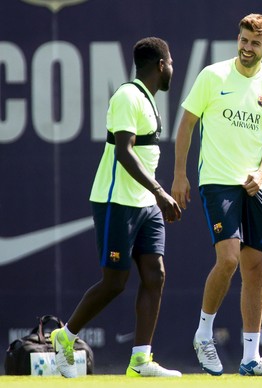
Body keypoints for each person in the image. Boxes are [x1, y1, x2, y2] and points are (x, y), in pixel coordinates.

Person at [50, 37, 182, 378]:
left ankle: (140, 360)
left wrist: (154, 196)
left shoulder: (148, 99)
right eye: (170, 62)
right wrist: (159, 190)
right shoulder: (126, 96)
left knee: (156, 274)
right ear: (160, 65)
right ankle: (65, 337)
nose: (173, 68)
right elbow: (124, 151)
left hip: (145, 205)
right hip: (117, 202)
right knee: (115, 282)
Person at [171, 13, 262, 377]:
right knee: (229, 259)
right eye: (243, 40)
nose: (247, 48)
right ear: (237, 39)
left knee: (256, 268)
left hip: (255, 185)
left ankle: (251, 357)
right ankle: (204, 333)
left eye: (255, 43)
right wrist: (179, 174)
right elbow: (187, 124)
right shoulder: (212, 76)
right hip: (217, 181)